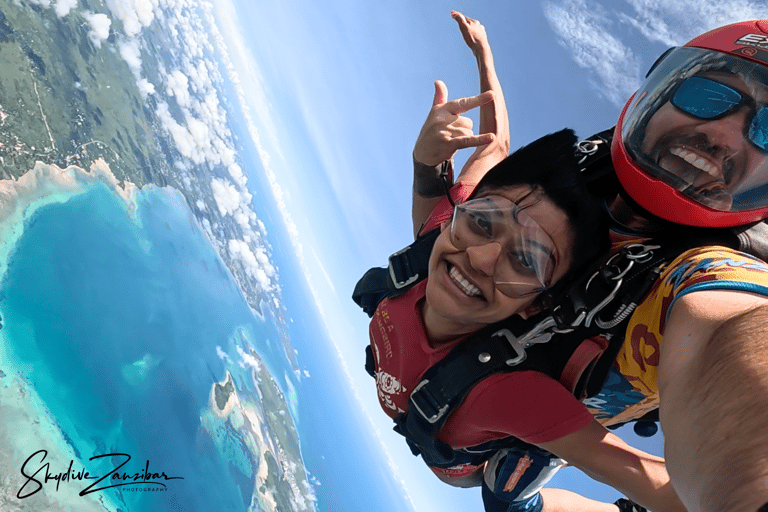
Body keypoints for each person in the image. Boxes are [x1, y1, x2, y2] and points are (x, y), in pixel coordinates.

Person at [410, 17, 768, 512]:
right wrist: (480, 67)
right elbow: (481, 171)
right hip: (459, 395)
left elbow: (733, 327)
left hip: (517, 432)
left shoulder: (713, 276)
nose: (725, 135)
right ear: (660, 92)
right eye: (707, 97)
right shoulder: (543, 197)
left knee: (510, 495)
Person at [355, 12, 688, 512]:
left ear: (538, 303)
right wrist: (482, 60)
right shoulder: (439, 235)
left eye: (526, 261)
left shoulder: (514, 396)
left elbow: (648, 480)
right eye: (484, 222)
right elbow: (495, 146)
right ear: (459, 216)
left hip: (468, 466)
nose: (482, 257)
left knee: (509, 497)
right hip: (433, 430)